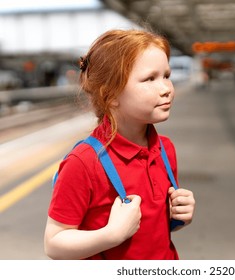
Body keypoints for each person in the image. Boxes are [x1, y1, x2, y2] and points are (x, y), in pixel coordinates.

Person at [44, 28, 195, 260]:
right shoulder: (83, 163)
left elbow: (153, 229)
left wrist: (177, 215)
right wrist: (111, 235)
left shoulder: (164, 149)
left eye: (166, 75)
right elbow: (54, 243)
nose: (166, 89)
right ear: (111, 94)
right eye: (150, 79)